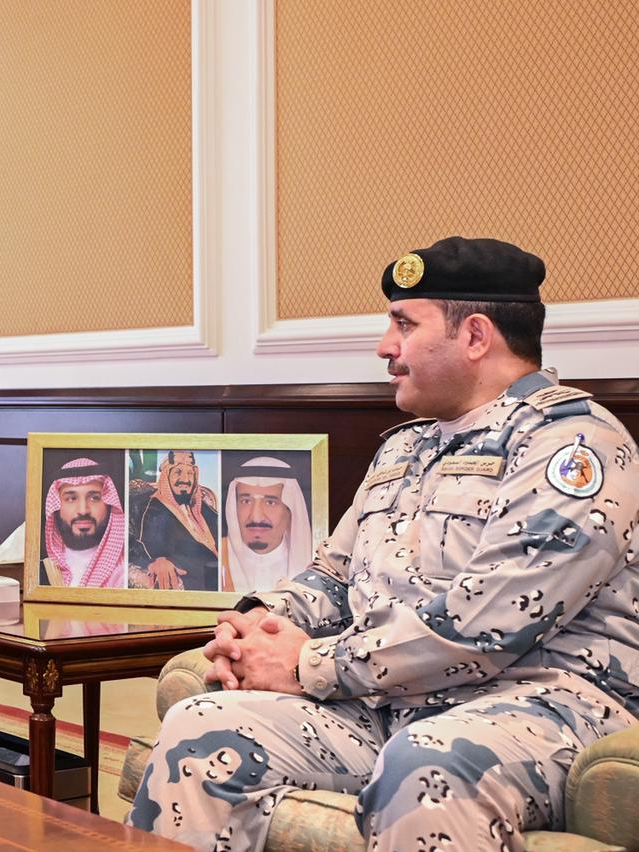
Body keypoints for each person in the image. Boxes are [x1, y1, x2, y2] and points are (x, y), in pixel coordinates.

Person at [127, 237, 639, 850]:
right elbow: (332, 576)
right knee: (199, 727)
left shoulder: (573, 445)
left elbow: (488, 625)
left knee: (426, 763)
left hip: (540, 705)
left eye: (404, 324)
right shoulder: (404, 447)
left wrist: (307, 665)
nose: (385, 346)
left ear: (475, 336)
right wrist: (258, 624)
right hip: (389, 703)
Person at [130, 451, 221, 590]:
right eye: (178, 472)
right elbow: (142, 546)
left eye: (190, 473)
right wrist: (157, 561)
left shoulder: (203, 508)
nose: (185, 479)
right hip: (197, 582)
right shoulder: (153, 509)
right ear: (166, 477)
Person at [221, 455, 311, 592]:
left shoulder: (314, 564)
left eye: (270, 502)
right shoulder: (217, 555)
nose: (256, 517)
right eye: (246, 501)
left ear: (290, 510)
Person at [40, 457, 126, 588]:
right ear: (56, 506)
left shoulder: (125, 574)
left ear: (109, 504)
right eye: (71, 498)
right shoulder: (41, 571)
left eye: (94, 498)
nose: (83, 510)